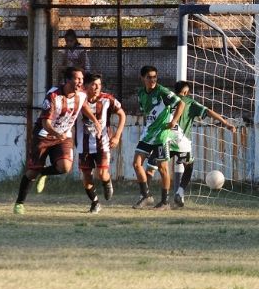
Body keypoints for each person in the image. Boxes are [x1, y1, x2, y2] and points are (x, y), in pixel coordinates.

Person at [13, 66, 102, 214]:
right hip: (44, 135)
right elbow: (45, 123)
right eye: (77, 79)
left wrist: (95, 121)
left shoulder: (80, 94)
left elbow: (83, 105)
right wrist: (56, 133)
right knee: (32, 172)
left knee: (65, 167)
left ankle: (45, 173)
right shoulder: (53, 96)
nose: (81, 82)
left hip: (63, 136)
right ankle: (19, 203)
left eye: (81, 79)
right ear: (67, 80)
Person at [169, 80, 236, 208]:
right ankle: (180, 191)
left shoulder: (167, 99)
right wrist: (226, 123)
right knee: (188, 166)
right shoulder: (189, 102)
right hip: (181, 141)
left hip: (164, 138)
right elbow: (209, 111)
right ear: (186, 92)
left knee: (158, 166)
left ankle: (155, 196)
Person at [132, 65, 185, 210]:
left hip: (161, 136)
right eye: (149, 77)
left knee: (163, 169)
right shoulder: (141, 93)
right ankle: (146, 196)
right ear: (142, 78)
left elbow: (181, 103)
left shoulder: (162, 92)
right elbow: (146, 112)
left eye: (154, 77)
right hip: (148, 135)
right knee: (136, 164)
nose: (152, 80)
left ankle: (165, 202)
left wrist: (173, 121)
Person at [75, 73, 126, 214]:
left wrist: (117, 136)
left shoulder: (107, 99)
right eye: (93, 84)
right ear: (86, 86)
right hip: (83, 145)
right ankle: (95, 202)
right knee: (86, 177)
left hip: (102, 144)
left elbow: (122, 114)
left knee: (102, 173)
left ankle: (107, 182)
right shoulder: (78, 98)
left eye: (99, 84)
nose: (97, 87)